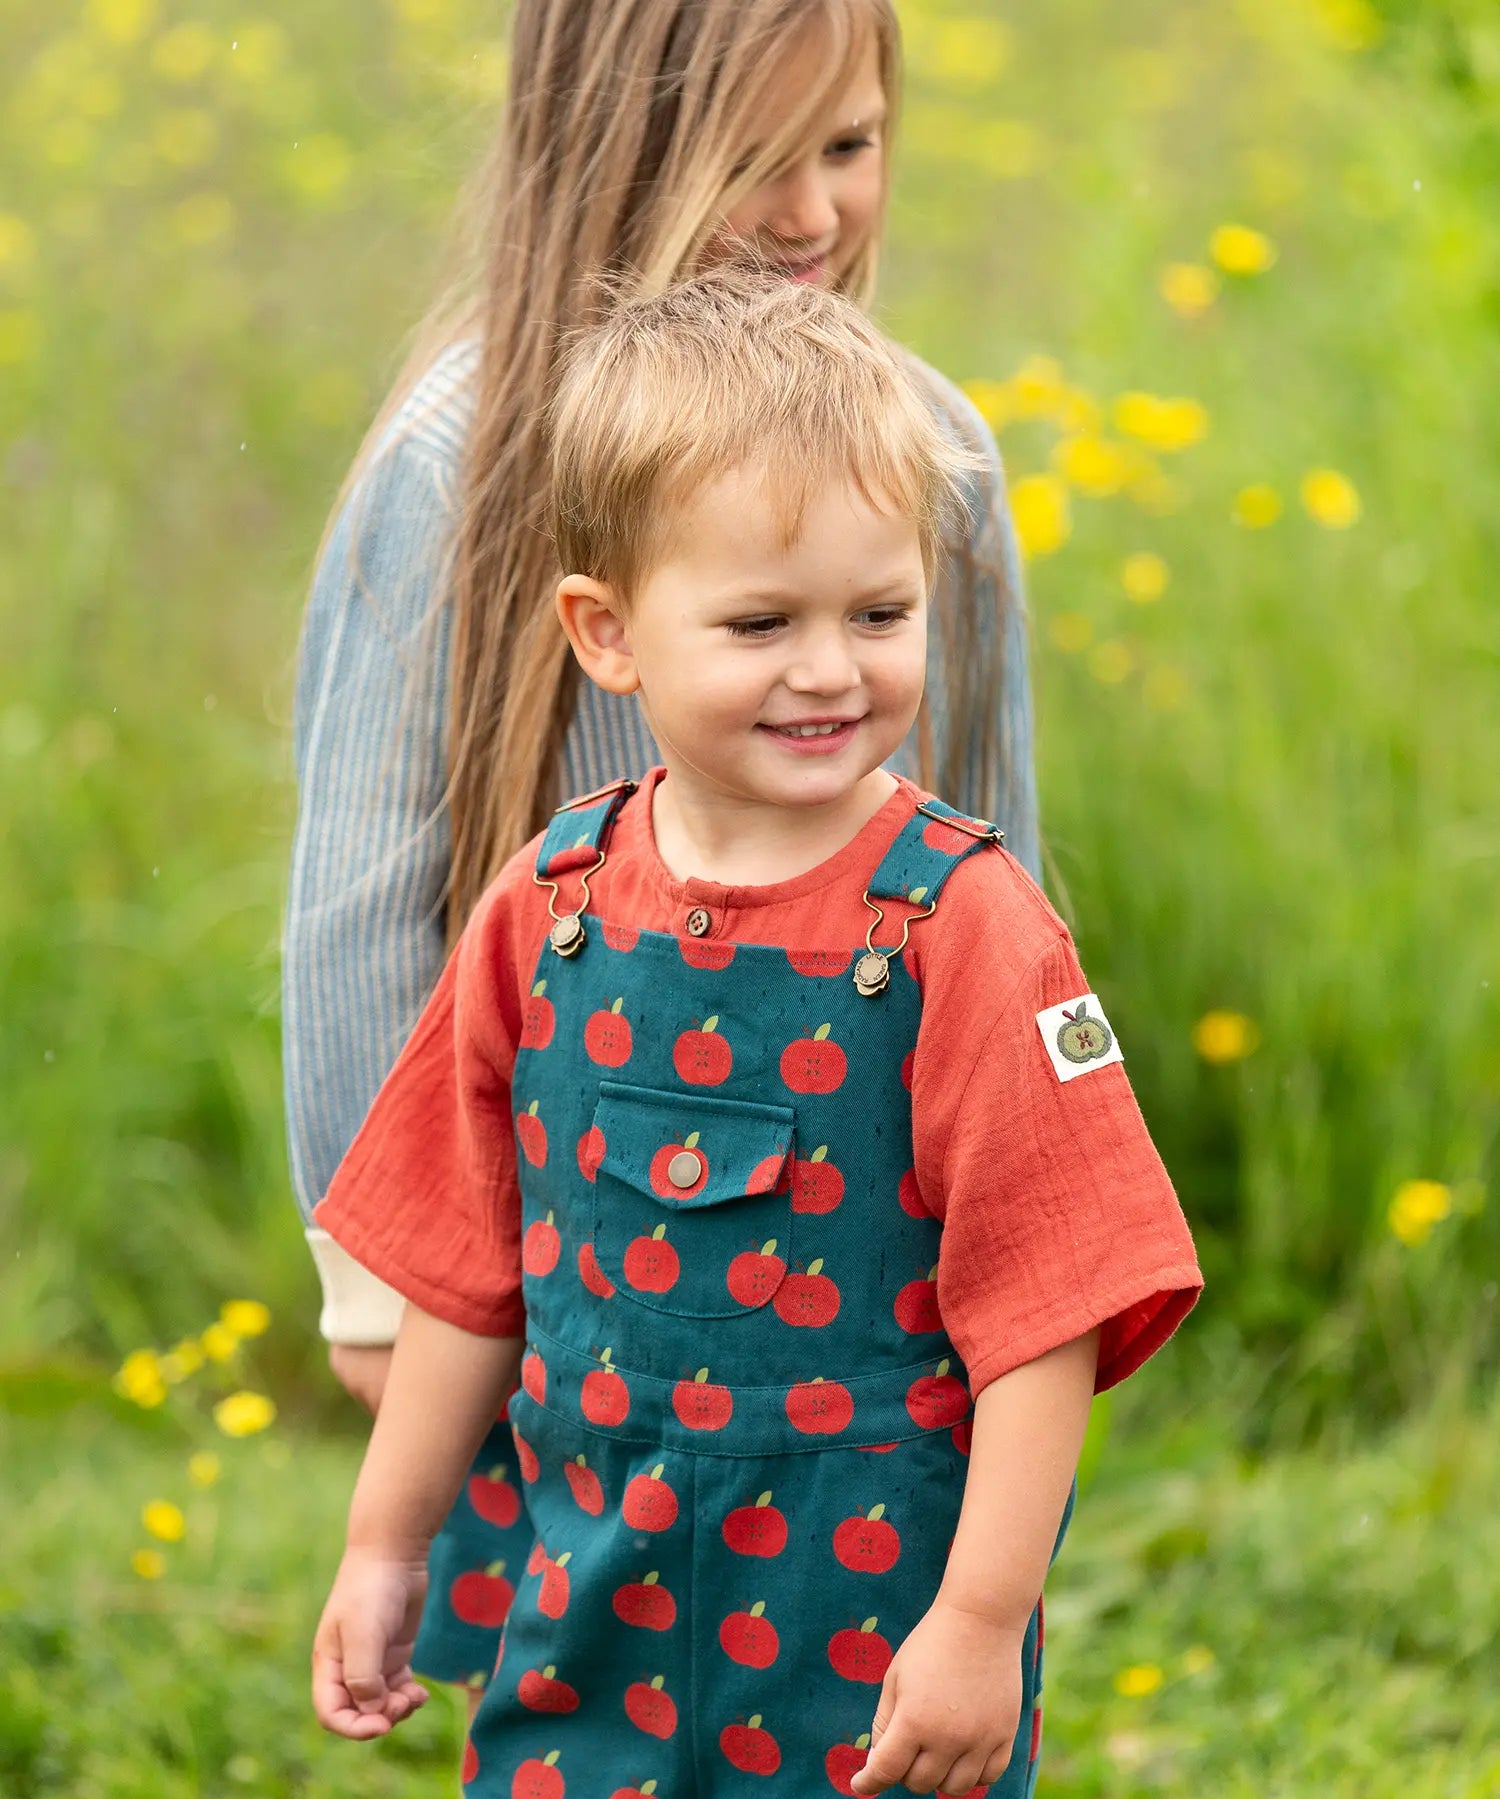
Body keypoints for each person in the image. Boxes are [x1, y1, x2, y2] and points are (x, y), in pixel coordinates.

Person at [309, 271, 1202, 1799]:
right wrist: (387, 1546)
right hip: (589, 1597)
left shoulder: (964, 927)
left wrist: (982, 1622)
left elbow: (1048, 1307)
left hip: (867, 1627)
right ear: (608, 634)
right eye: (760, 621)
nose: (830, 670)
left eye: (880, 612)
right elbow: (466, 1272)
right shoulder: (551, 910)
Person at [285, 0, 1042, 1703]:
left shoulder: (927, 453)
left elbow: (999, 829)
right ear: (607, 147)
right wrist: (375, 1277)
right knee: (585, 1665)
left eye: (845, 146)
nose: (809, 211)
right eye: (749, 159)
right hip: (578, 1232)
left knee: (837, 1693)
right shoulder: (461, 453)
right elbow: (359, 891)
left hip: (846, 1266)